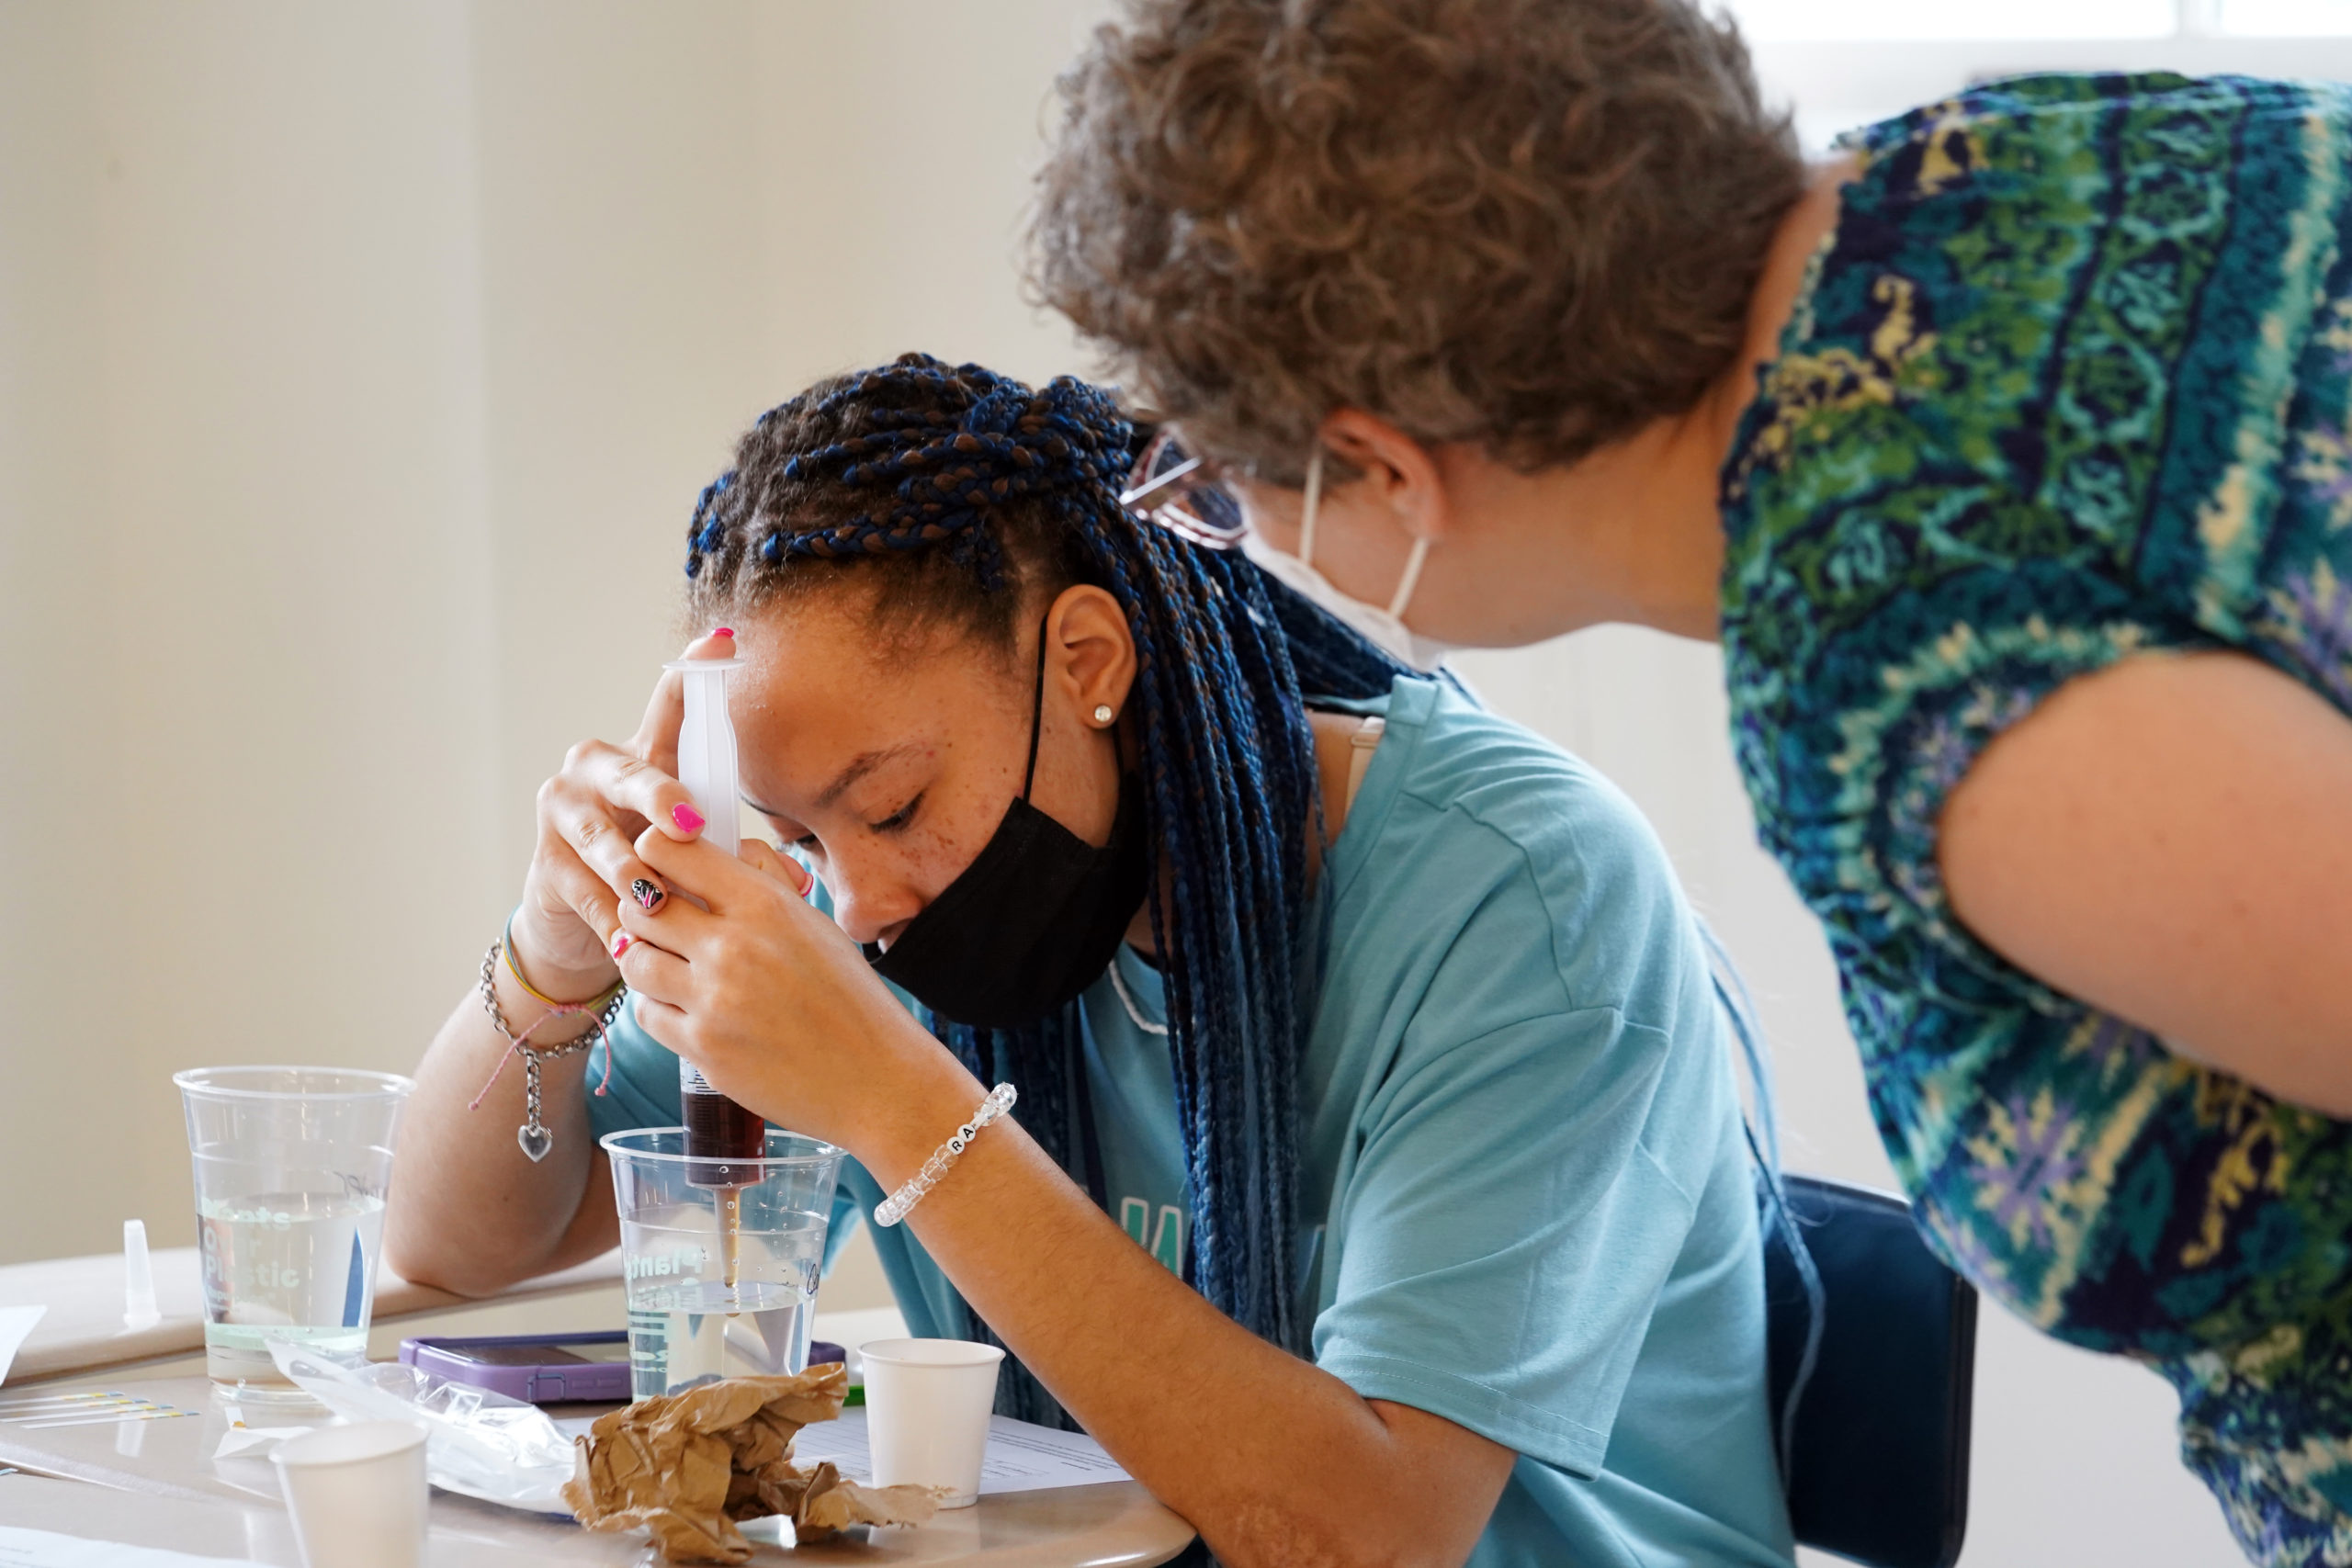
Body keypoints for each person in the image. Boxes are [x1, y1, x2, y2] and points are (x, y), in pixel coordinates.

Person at [1028, 3, 2352, 1561]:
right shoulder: (2066, 147)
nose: (1235, 538)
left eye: (1225, 492)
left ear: (1385, 469)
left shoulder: (1903, 655)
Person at [386, 355, 1796, 1568]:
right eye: (798, 836)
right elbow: (452, 1246)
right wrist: (557, 954)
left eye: (892, 808)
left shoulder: (1522, 892)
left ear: (1086, 661)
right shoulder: (854, 914)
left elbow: (1372, 1535)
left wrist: (896, 1100)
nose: (859, 907)